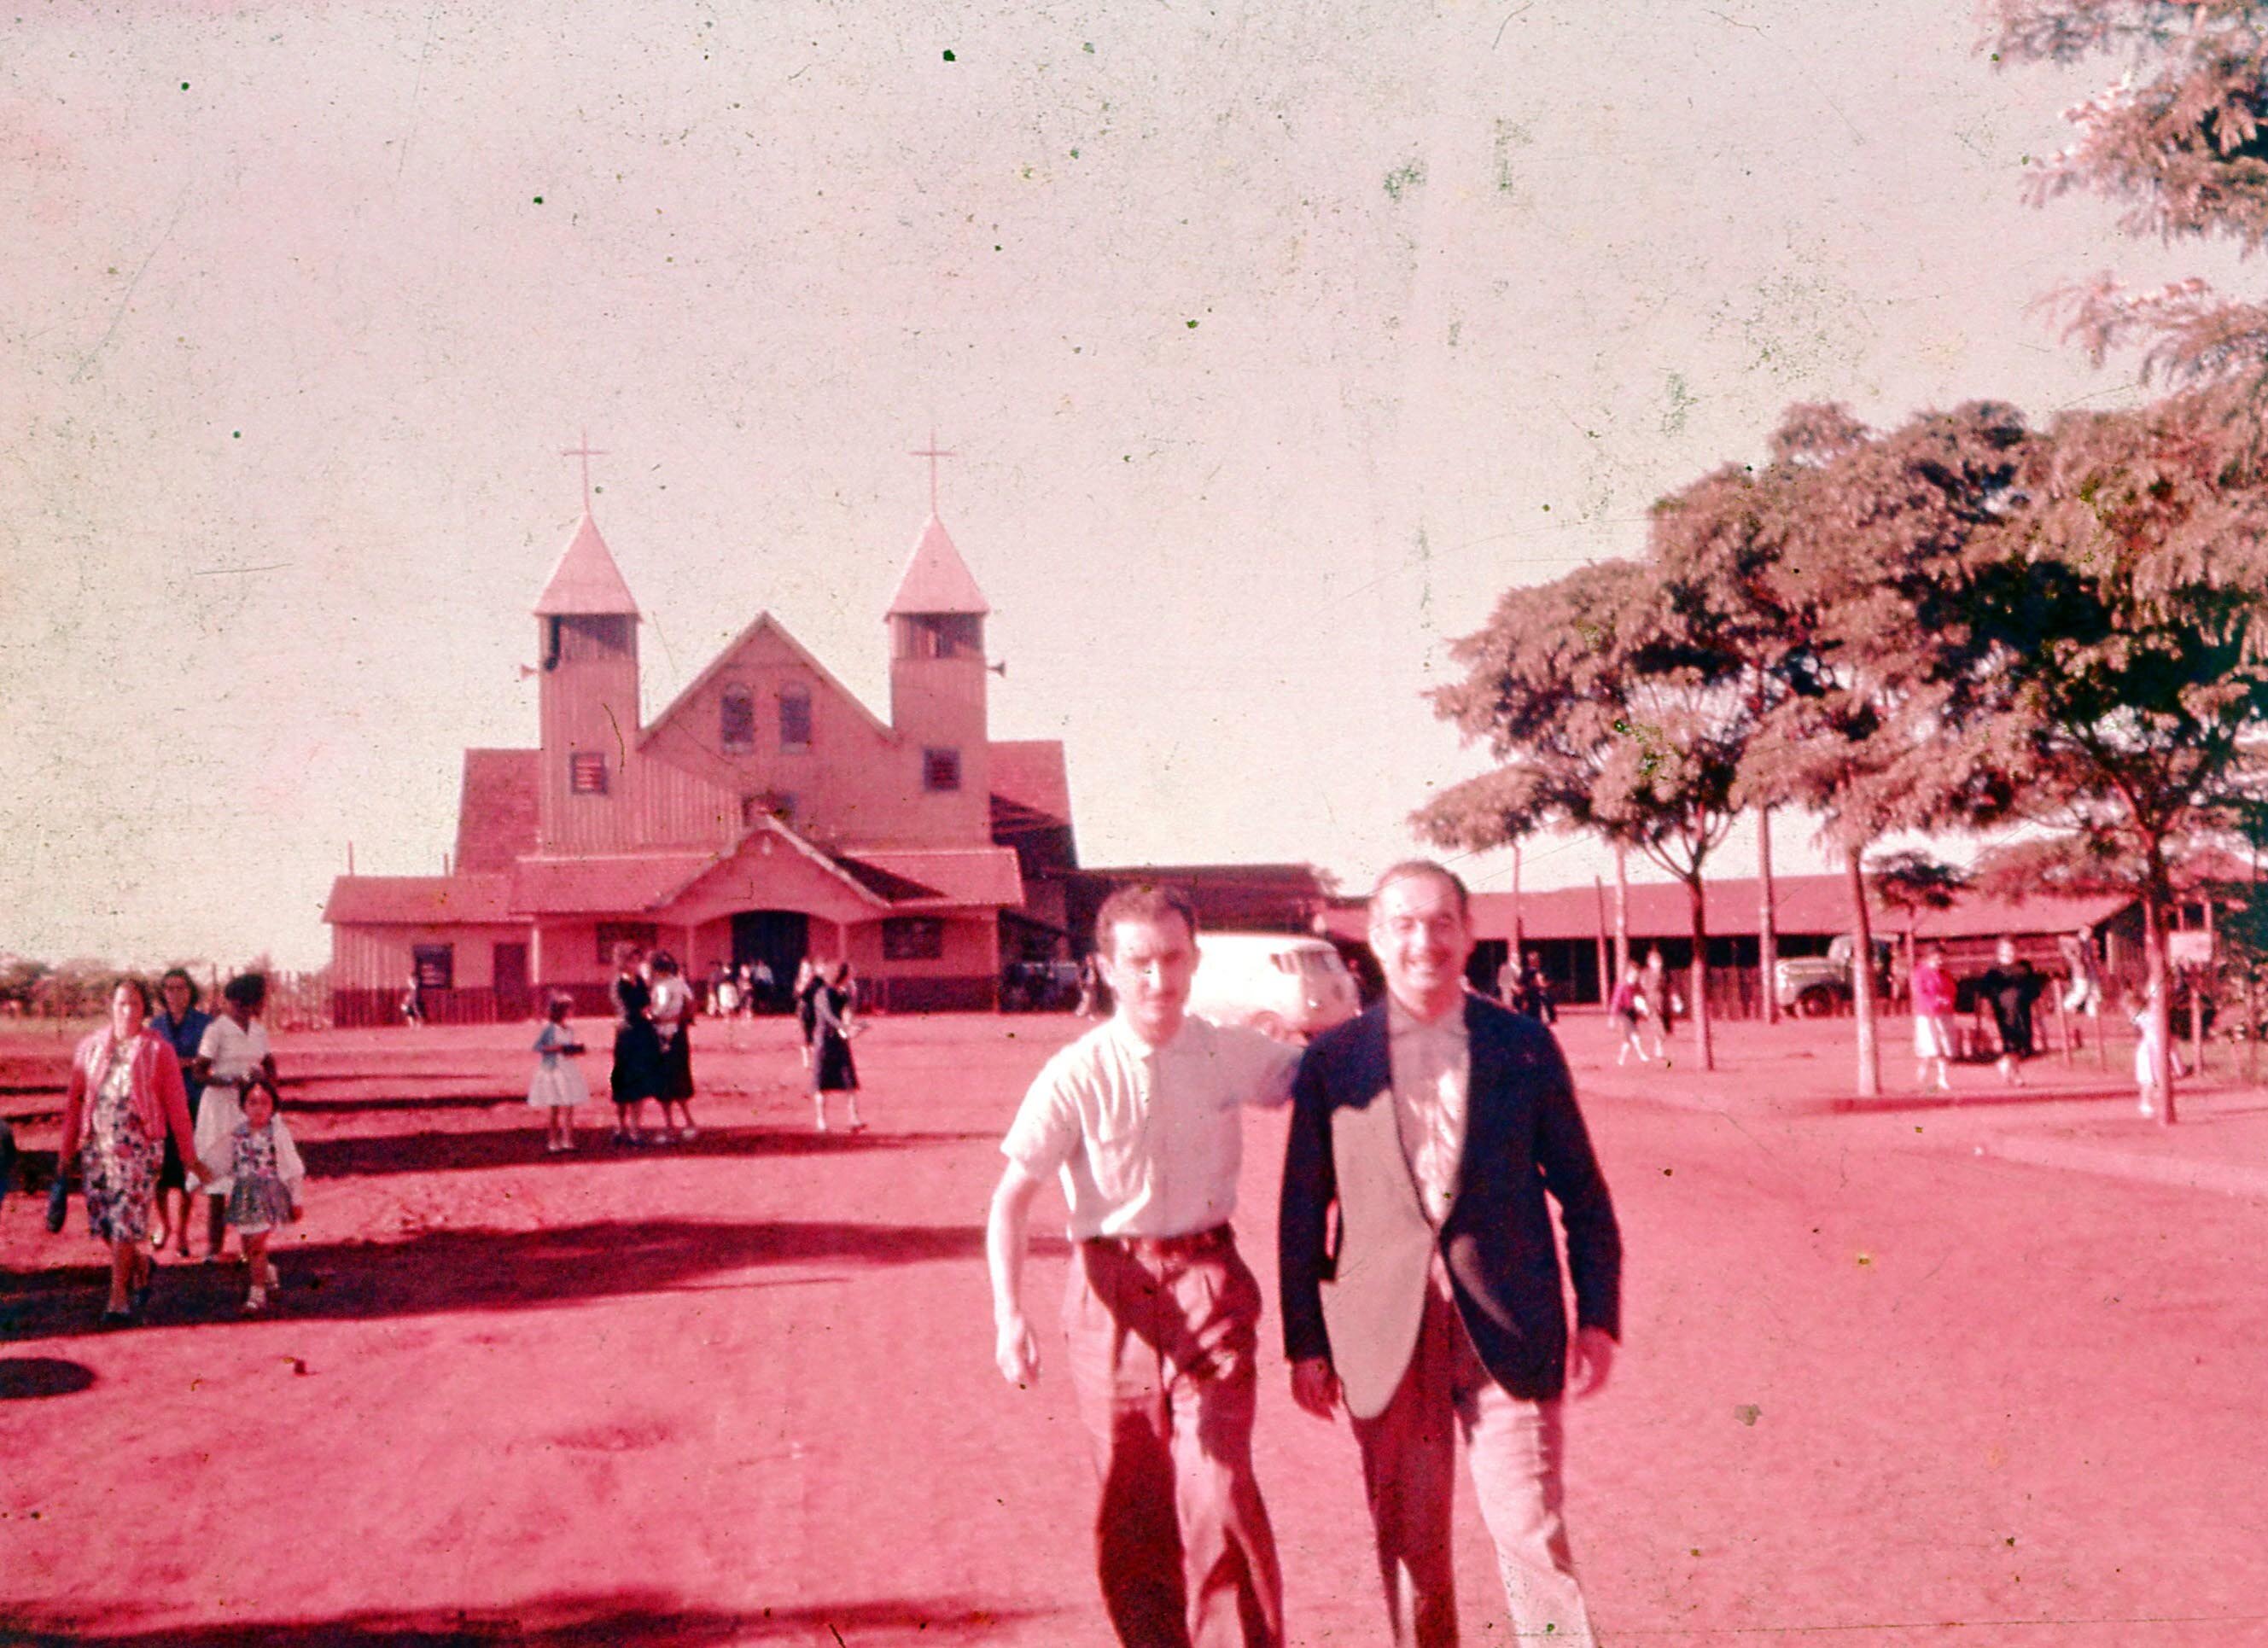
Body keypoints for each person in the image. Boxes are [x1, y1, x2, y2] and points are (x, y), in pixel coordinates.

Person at [1280, 861, 1622, 1648]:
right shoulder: (1333, 1061)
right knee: (1410, 1549)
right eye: (1401, 923)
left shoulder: (1523, 1045)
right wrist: (1306, 1341)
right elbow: (1301, 1213)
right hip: (1384, 1332)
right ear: (1372, 937)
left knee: (1532, 1535)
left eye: (1439, 921)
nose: (1421, 940)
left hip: (1509, 1327)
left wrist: (1598, 1315)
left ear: (1468, 934)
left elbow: (1583, 1192)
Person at [987, 883, 1297, 1648]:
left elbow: (1320, 1074)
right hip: (1109, 1300)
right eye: (1140, 963)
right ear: (1105, 967)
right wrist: (1007, 1313)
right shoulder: (1076, 1071)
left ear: (1194, 958)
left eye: (1174, 959)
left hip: (1208, 1289)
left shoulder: (1227, 1049)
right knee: (1133, 1504)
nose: (1160, 981)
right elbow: (1009, 1202)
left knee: (1217, 1482)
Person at [58, 979, 212, 1325]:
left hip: (139, 1149)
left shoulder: (158, 1050)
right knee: (105, 1223)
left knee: (124, 1221)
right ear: (110, 1006)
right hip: (97, 1148)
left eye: (135, 1005)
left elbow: (177, 1109)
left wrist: (189, 1158)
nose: (127, 1011)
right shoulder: (90, 1048)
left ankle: (117, 1300)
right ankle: (141, 1267)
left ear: (145, 1011)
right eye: (121, 1003)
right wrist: (65, 1154)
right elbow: (75, 1103)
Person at [192, 973, 278, 1262]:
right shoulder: (217, 1031)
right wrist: (229, 1079)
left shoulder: (258, 1031)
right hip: (219, 1108)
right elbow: (199, 1072)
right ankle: (213, 1250)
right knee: (218, 1181)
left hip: (247, 1109)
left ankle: (248, 1249)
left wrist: (264, 1085)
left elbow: (269, 1065)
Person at [146, 967, 213, 1258]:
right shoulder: (154, 1025)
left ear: (191, 991)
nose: (175, 994)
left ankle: (183, 1231)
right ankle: (164, 1225)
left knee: (187, 1169)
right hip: (160, 1106)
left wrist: (177, 1064)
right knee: (159, 1172)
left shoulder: (205, 1023)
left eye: (181, 988)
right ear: (162, 993)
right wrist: (180, 1063)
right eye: (169, 989)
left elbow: (207, 1060)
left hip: (193, 1103)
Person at [224, 1074, 305, 1313]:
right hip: (245, 1195)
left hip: (269, 1195)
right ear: (243, 1106)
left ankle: (256, 1294)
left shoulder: (277, 1134)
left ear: (273, 1107)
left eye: (264, 1103)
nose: (258, 1109)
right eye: (252, 1102)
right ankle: (268, 1272)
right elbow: (228, 1163)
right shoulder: (237, 1133)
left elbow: (293, 1168)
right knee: (248, 1245)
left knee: (257, 1243)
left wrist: (296, 1199)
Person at [1977, 939, 2044, 1086]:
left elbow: (2034, 989)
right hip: (2005, 1012)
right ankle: (2016, 1074)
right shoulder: (1994, 970)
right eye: (2007, 950)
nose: (2011, 953)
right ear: (2000, 951)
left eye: (2013, 950)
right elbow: (1985, 992)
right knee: (2011, 1042)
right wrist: (1987, 1011)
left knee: (2024, 1042)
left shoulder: (2025, 967)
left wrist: (2037, 1006)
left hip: (2023, 1009)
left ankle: (2006, 1066)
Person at [528, 994, 589, 1151]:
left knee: (569, 1105)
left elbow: (567, 1048)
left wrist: (575, 1049)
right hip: (554, 1069)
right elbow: (538, 1047)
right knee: (555, 1106)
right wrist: (556, 1048)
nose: (572, 1011)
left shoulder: (569, 1030)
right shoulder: (550, 1030)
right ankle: (553, 1141)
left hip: (568, 1068)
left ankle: (567, 1140)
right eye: (569, 1008)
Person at [649, 952, 698, 1141]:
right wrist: (682, 1019)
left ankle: (670, 1125)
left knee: (664, 1081)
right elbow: (691, 1003)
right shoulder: (680, 983)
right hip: (679, 1034)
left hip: (663, 1034)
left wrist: (646, 1015)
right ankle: (688, 1122)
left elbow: (658, 1011)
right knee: (680, 1077)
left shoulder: (661, 987)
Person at [810, 962, 866, 1133]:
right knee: (821, 1084)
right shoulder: (823, 994)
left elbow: (848, 1011)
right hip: (824, 1042)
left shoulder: (840, 993)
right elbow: (829, 1016)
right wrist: (845, 1028)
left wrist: (851, 996)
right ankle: (821, 1121)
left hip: (839, 1041)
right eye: (848, 975)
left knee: (849, 1081)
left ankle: (854, 1120)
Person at [1909, 943, 1958, 1094]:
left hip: (1944, 1014)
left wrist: (1947, 1000)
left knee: (1944, 1045)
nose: (1939, 962)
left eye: (1942, 958)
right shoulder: (1919, 973)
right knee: (1929, 1045)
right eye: (1936, 958)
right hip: (1926, 1015)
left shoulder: (1945, 975)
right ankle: (1923, 1073)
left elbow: (1952, 991)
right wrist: (1935, 1002)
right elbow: (1919, 993)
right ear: (1928, 958)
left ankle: (1942, 1078)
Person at [1609, 971, 1649, 1066]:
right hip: (1624, 1014)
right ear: (1628, 975)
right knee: (1635, 1035)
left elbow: (1639, 1001)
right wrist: (1612, 1017)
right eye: (1633, 977)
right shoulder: (1622, 986)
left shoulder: (1635, 987)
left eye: (1636, 977)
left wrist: (1642, 1010)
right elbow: (1616, 1001)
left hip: (1632, 1014)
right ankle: (1642, 1055)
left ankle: (1621, 1060)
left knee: (1627, 1041)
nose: (1635, 979)